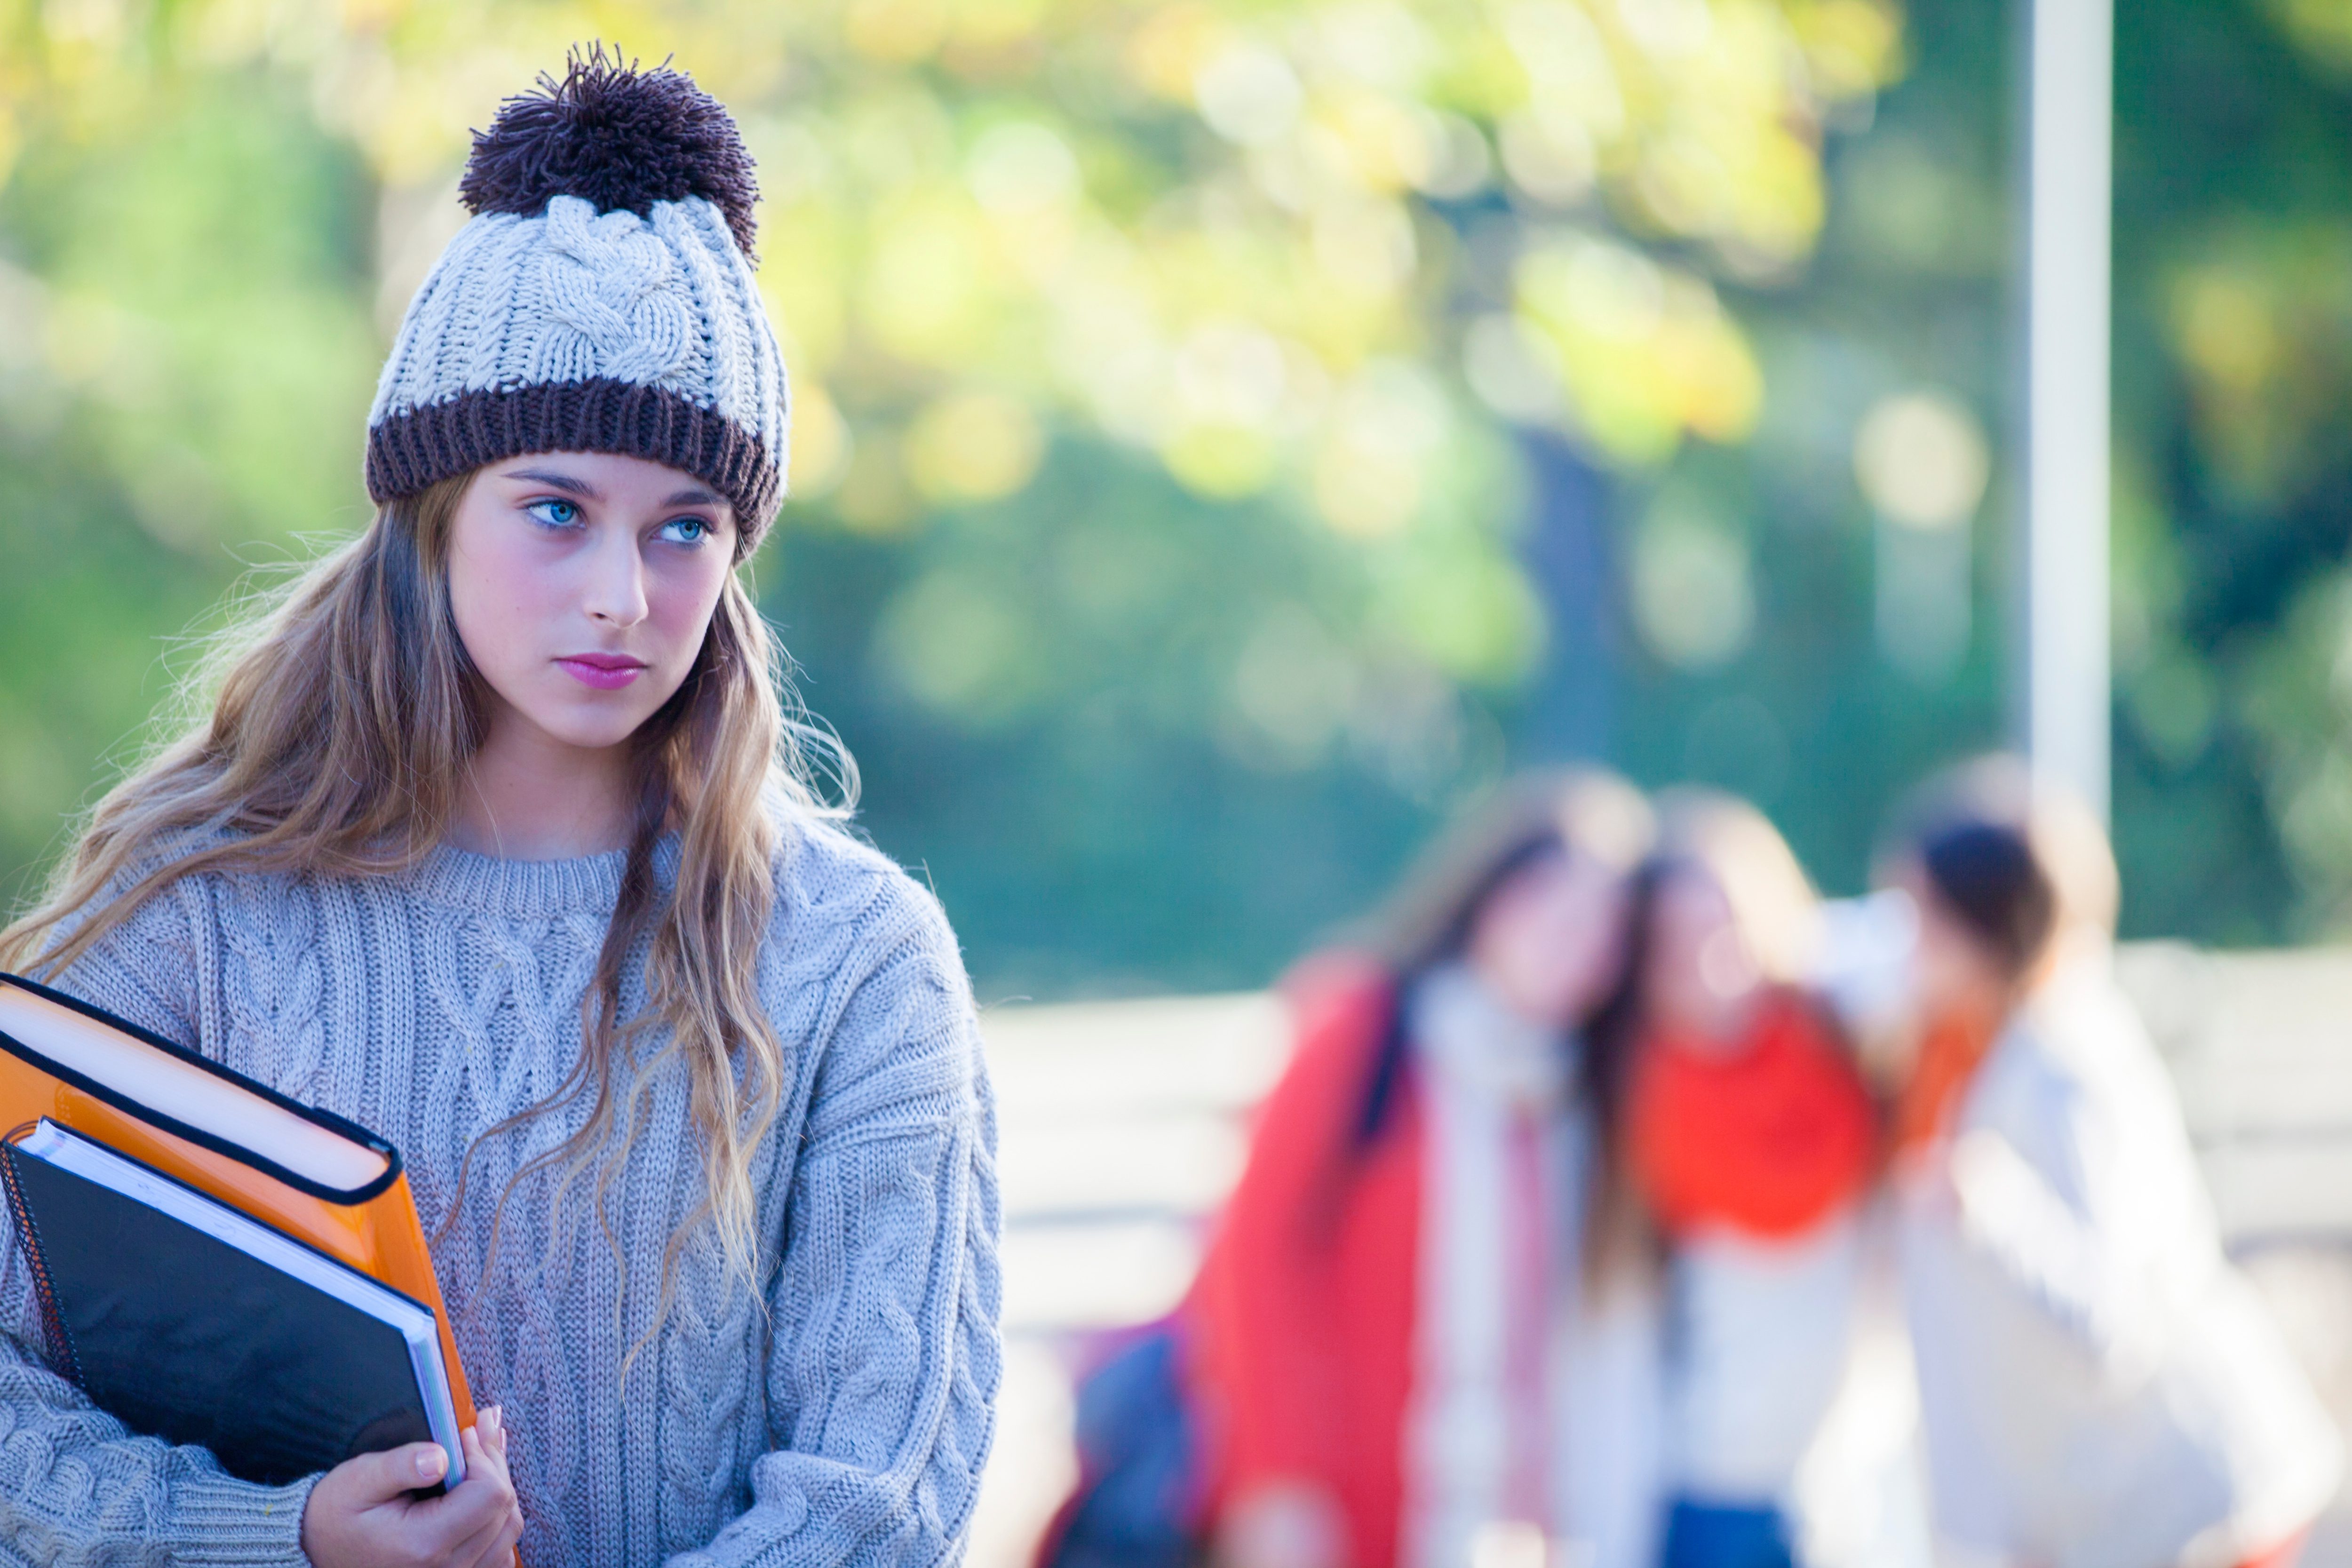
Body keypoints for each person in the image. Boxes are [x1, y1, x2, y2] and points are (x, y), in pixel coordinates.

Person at [0, 50, 999, 1568]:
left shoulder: (856, 957)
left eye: (687, 528)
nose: (623, 594)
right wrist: (273, 1538)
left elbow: (880, 1488)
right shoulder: (191, 909)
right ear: (434, 514)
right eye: (556, 510)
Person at [1177, 770, 1663, 1568]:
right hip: (1331, 1499)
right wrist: (1280, 1484)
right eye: (1551, 905)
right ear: (1488, 899)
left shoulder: (1584, 1093)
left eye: (1606, 927)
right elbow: (1251, 1258)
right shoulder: (1366, 1022)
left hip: (1491, 1519)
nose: (1574, 942)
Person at [1884, 759, 2340, 1568]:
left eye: (1925, 916)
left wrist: (1995, 1211)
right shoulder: (1994, 1039)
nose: (1906, 941)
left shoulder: (2066, 1064)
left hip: (2189, 1503)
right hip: (2132, 1510)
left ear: (1991, 925)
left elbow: (2116, 1319)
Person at [1605, 791, 1878, 1568]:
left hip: (1843, 1477)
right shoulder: (1629, 1100)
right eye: (1675, 938)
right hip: (1699, 1486)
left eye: (1725, 922)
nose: (1707, 956)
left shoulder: (1845, 1042)